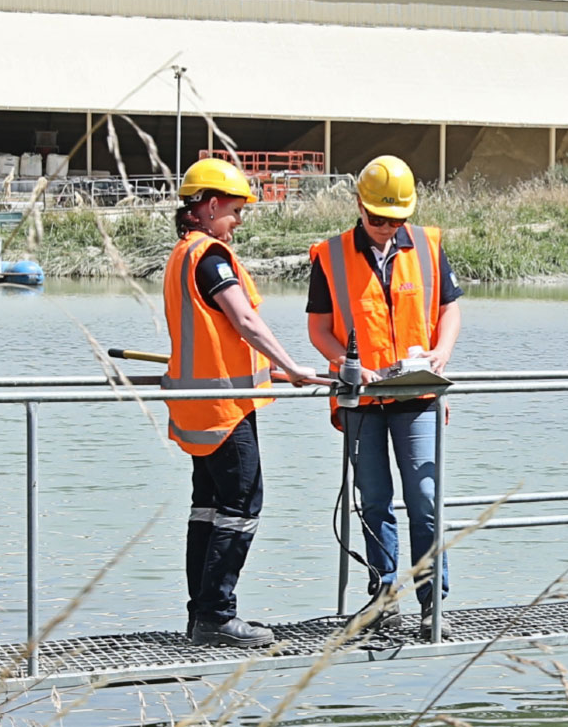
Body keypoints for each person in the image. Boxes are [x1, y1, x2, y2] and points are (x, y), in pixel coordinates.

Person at [164, 157, 327, 648]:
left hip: (198, 403)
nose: (237, 221)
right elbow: (245, 322)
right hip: (223, 408)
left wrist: (271, 370)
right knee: (242, 504)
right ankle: (217, 615)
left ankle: (201, 614)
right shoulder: (210, 257)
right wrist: (293, 364)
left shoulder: (182, 254)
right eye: (235, 211)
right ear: (210, 206)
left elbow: (216, 337)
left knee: (209, 509)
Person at [307, 155, 462, 633]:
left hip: (418, 396)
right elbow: (318, 330)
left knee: (425, 498)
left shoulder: (428, 247)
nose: (385, 227)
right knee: (374, 499)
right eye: (377, 218)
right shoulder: (330, 256)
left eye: (396, 219)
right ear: (359, 205)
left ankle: (432, 600)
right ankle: (383, 594)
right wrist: (349, 365)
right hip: (364, 401)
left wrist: (441, 351)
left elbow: (450, 310)